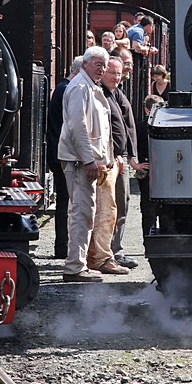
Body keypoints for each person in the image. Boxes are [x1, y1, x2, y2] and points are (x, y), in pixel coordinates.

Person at [57, 46, 112, 283]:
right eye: (98, 64)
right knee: (81, 213)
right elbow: (77, 125)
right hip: (80, 162)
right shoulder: (81, 87)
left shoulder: (88, 85)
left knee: (84, 212)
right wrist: (89, 159)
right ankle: (74, 267)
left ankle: (78, 264)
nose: (102, 69)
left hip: (83, 160)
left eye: (104, 65)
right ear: (86, 64)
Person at [107, 56, 144, 270]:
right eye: (112, 73)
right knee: (111, 206)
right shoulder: (101, 94)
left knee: (123, 203)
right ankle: (110, 252)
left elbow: (126, 126)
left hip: (121, 158)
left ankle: (115, 248)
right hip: (110, 160)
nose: (116, 76)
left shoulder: (117, 93)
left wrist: (131, 155)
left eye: (119, 73)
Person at [45, 56, 82, 259]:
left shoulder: (61, 88)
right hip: (63, 154)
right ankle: (62, 246)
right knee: (65, 202)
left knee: (65, 201)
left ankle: (63, 246)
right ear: (77, 71)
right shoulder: (67, 89)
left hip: (59, 152)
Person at [137, 94, 164, 238]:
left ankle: (148, 239)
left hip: (147, 171)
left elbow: (131, 148)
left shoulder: (140, 126)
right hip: (162, 171)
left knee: (147, 209)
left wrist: (137, 165)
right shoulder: (164, 126)